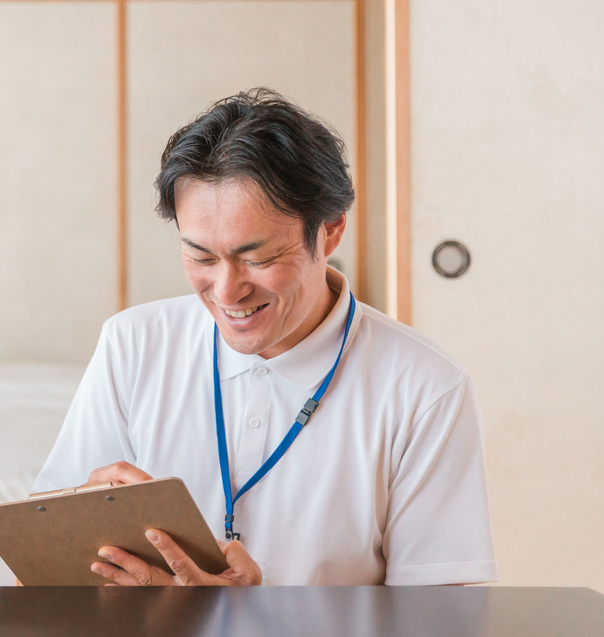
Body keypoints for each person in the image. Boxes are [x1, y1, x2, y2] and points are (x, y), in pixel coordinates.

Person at [34, 89, 497, 587]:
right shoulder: (134, 343)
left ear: (331, 232)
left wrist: (250, 617)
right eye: (201, 257)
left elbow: (435, 632)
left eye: (258, 258)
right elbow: (38, 574)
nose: (227, 291)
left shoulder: (426, 390)